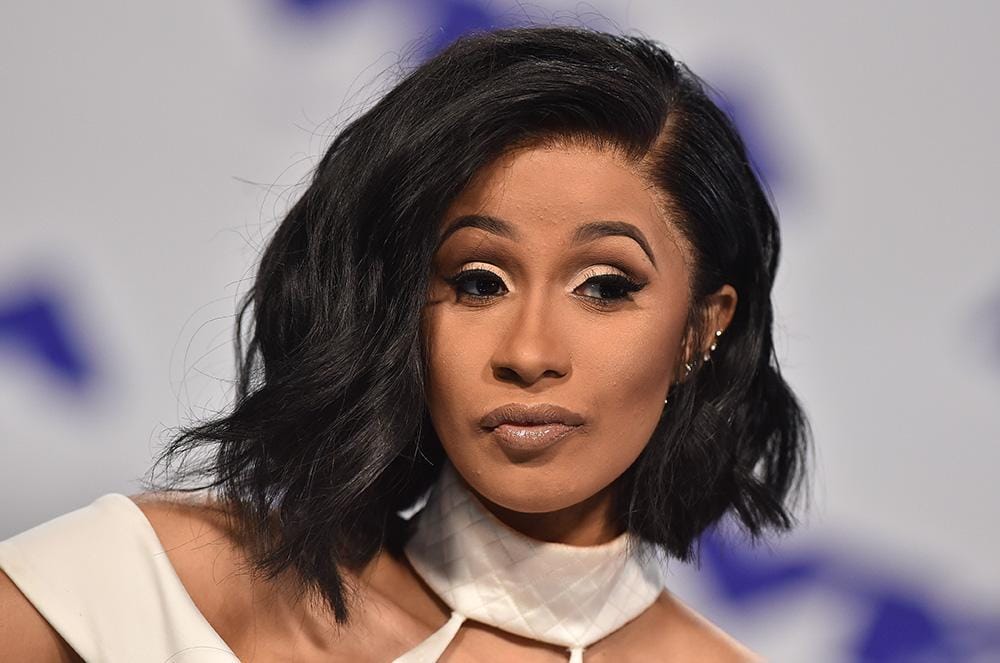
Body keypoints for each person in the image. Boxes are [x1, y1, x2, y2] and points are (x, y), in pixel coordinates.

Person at [0, 25, 809, 662]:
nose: (529, 352)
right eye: (478, 281)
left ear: (700, 327)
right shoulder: (161, 580)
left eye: (604, 286)